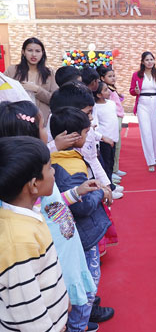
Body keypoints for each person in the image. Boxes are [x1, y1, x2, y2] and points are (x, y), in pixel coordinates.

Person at [0, 102, 99, 332]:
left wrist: (76, 193)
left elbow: (53, 206)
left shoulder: (27, 198)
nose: (54, 170)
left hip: (60, 264)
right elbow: (28, 308)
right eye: (43, 125)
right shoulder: (18, 238)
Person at [50, 107, 115, 323]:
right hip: (83, 232)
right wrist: (100, 192)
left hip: (78, 232)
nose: (89, 134)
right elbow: (82, 206)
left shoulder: (59, 157)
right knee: (88, 277)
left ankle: (84, 314)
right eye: (86, 132)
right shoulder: (68, 164)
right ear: (73, 136)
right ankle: (80, 322)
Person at [0, 136, 70, 332]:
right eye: (49, 168)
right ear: (33, 185)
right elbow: (27, 310)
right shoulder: (18, 242)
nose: (53, 171)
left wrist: (62, 300)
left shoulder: (28, 216)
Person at [129, 52, 156, 172]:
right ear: (142, 62)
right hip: (142, 104)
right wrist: (135, 91)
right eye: (147, 60)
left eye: (151, 59)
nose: (149, 62)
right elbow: (131, 91)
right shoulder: (136, 75)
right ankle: (150, 160)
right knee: (146, 132)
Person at [4, 37, 58, 126]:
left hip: (41, 122)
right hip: (16, 121)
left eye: (37, 51)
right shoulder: (12, 70)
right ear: (23, 52)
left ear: (42, 53)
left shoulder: (49, 73)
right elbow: (3, 94)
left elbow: (55, 100)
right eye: (30, 50)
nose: (34, 54)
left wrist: (37, 90)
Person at [99, 66, 127, 178]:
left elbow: (117, 101)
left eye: (114, 76)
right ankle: (112, 171)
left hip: (118, 117)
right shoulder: (106, 91)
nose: (113, 78)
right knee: (113, 145)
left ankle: (115, 168)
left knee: (117, 145)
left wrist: (120, 95)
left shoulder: (112, 89)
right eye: (110, 76)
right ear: (102, 78)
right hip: (114, 117)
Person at [93, 82, 119, 191]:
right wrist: (102, 137)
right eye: (105, 90)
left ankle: (111, 183)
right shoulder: (95, 107)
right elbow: (97, 124)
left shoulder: (111, 103)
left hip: (114, 137)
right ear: (99, 95)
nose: (109, 91)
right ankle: (109, 188)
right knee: (106, 164)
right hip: (104, 140)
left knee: (111, 161)